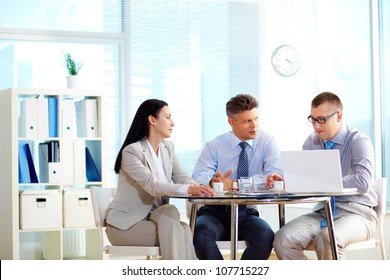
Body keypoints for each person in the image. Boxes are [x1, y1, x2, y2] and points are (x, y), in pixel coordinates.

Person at [272, 91, 378, 260]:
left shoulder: (359, 141)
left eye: (321, 119)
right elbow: (306, 180)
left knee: (328, 237)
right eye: (313, 119)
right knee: (282, 239)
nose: (316, 125)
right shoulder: (311, 141)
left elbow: (363, 181)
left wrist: (325, 181)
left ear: (339, 116)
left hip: (357, 213)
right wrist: (289, 181)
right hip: (323, 211)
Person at [105, 99, 215, 260]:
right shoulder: (132, 152)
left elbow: (182, 177)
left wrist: (200, 187)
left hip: (154, 219)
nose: (173, 123)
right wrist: (189, 189)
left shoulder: (167, 148)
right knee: (179, 230)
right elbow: (153, 186)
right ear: (152, 120)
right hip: (125, 226)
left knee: (178, 222)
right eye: (168, 117)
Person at [192, 94, 283, 260]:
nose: (254, 125)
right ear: (231, 122)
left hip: (247, 213)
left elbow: (275, 176)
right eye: (247, 121)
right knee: (200, 235)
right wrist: (213, 182)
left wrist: (235, 184)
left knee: (265, 236)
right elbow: (198, 178)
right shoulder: (214, 146)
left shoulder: (268, 142)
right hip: (214, 212)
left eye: (256, 118)